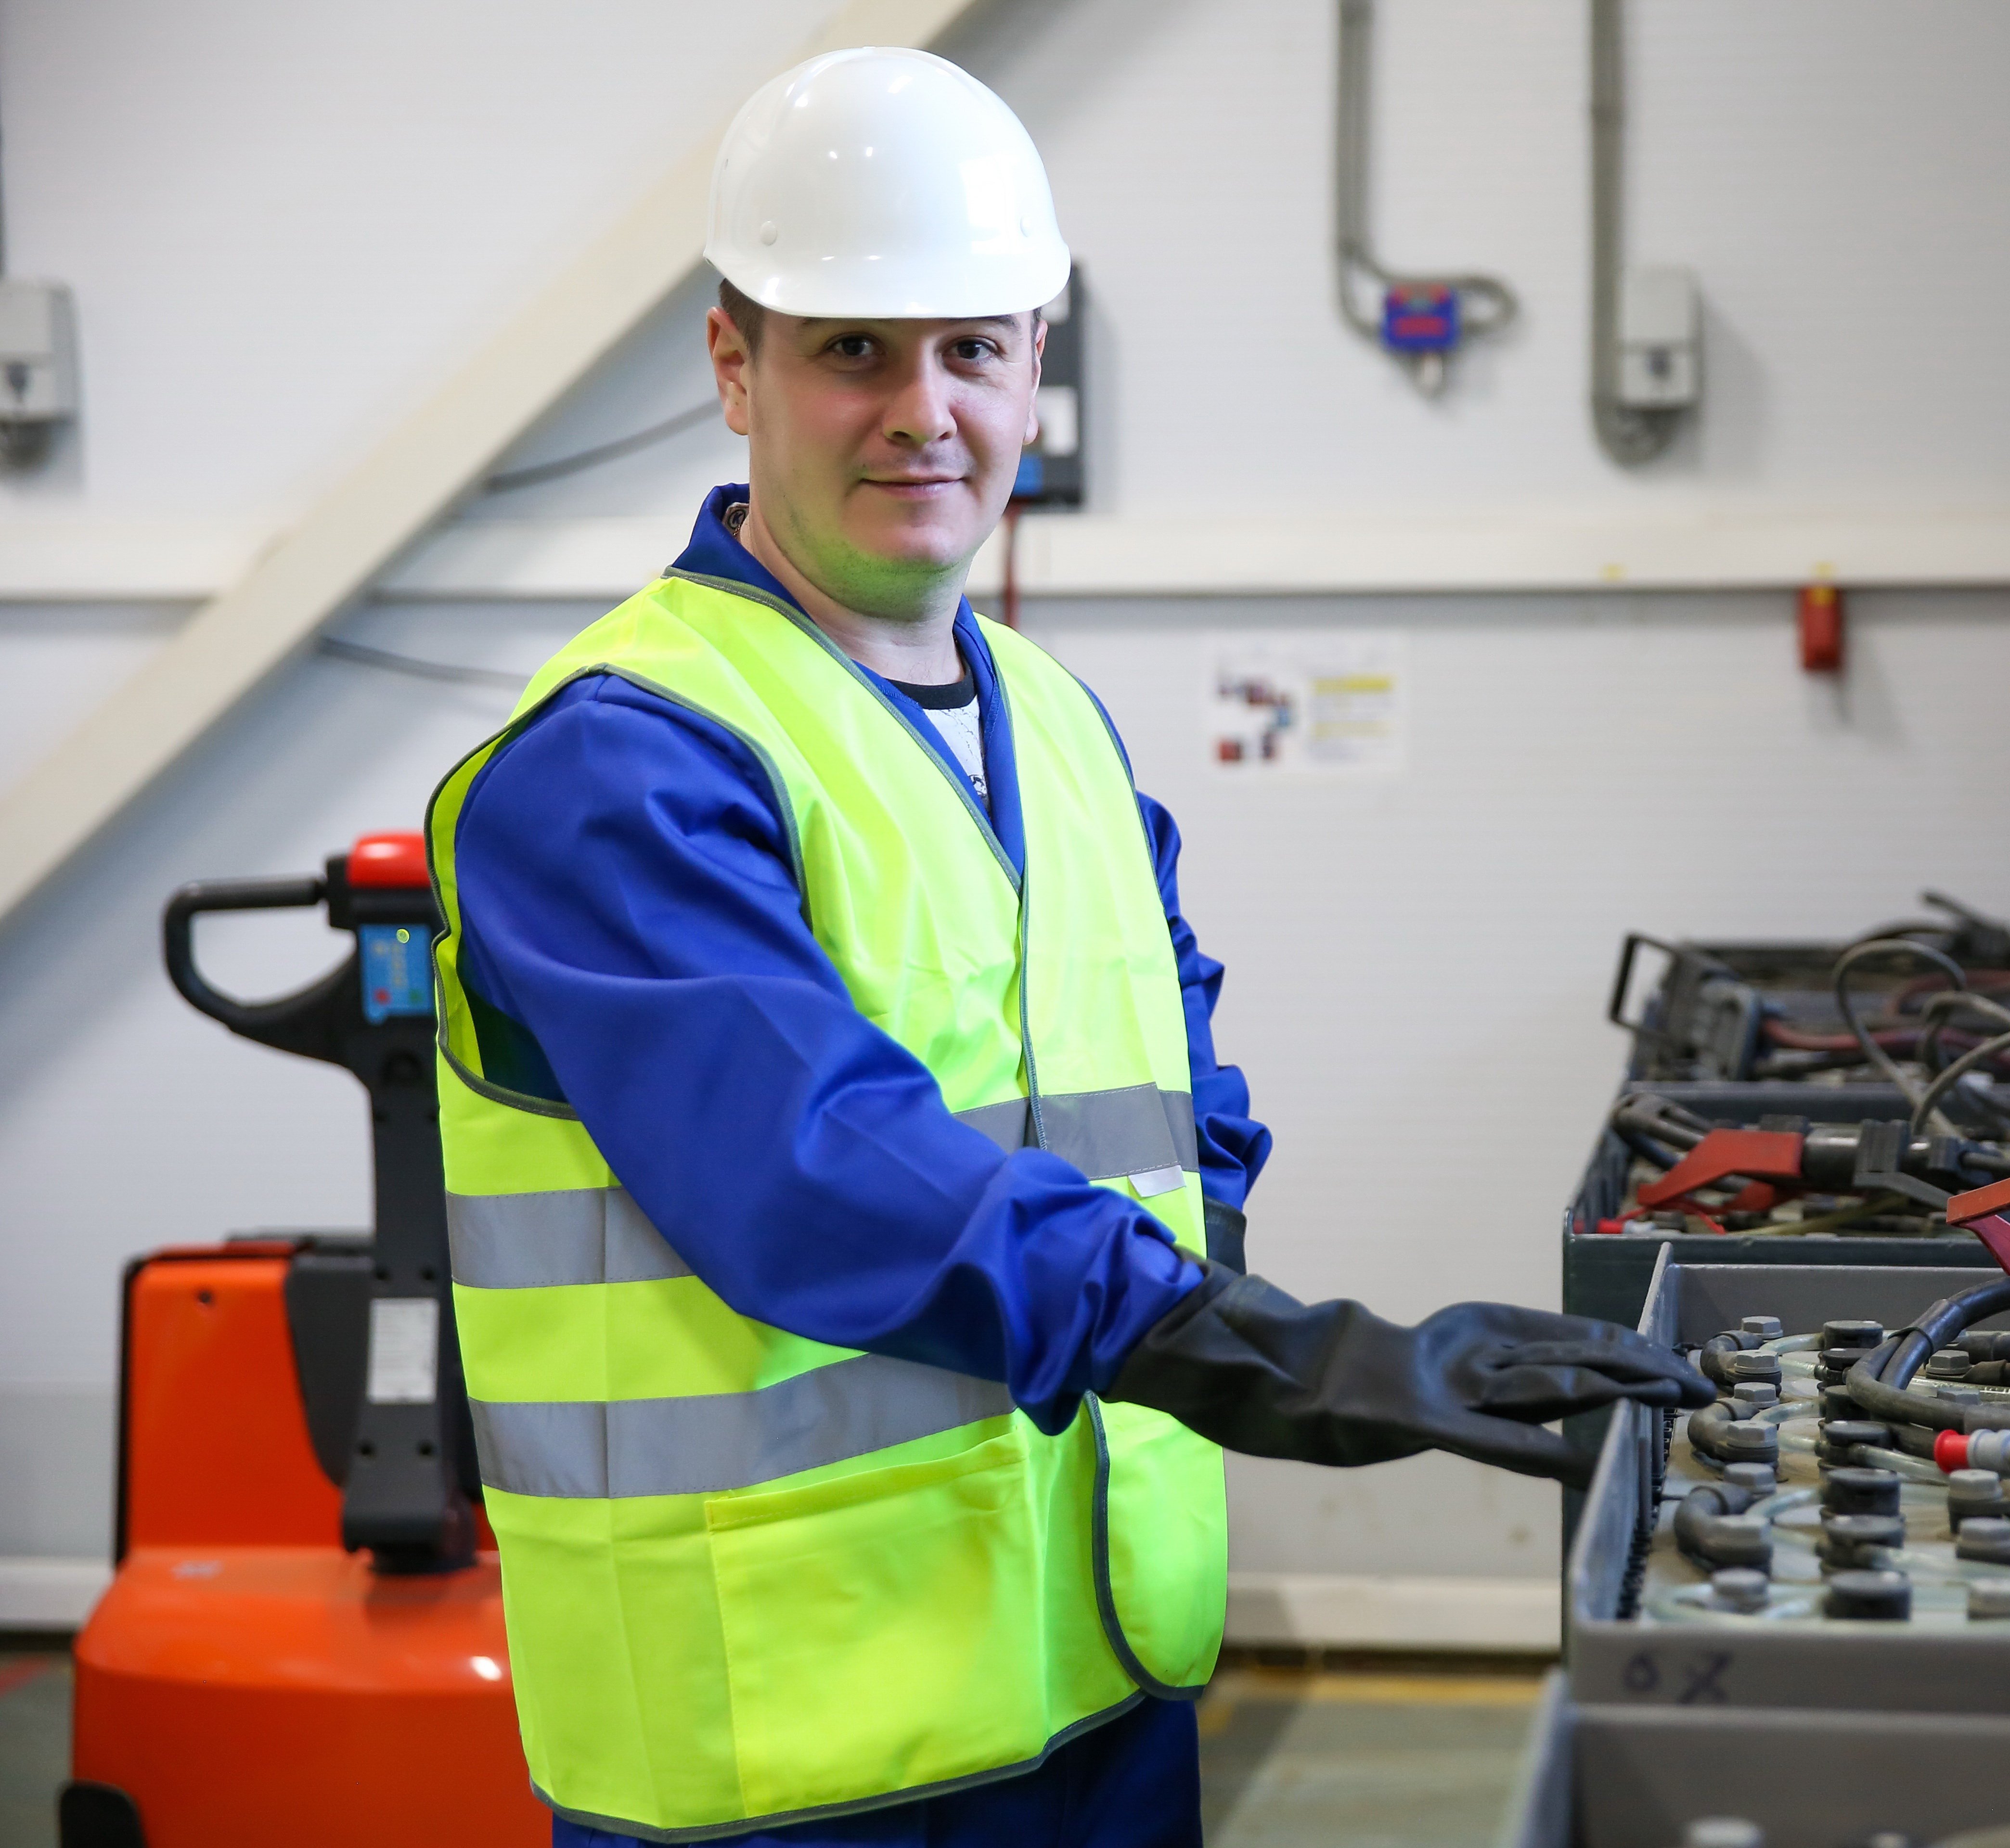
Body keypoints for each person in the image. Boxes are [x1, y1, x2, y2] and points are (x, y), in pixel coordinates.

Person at [424, 46, 1708, 1848]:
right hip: (787, 1741)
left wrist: (1222, 1257)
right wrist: (1290, 1357)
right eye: (853, 349)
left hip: (1097, 1678)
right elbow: (818, 1173)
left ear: (1039, 360)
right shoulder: (618, 764)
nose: (922, 411)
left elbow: (1179, 1086)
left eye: (976, 350)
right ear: (736, 365)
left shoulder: (1055, 720)